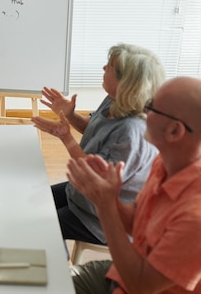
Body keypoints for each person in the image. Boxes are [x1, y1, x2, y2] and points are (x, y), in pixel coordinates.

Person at [68, 77, 201, 294]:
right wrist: (110, 196)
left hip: (137, 282)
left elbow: (140, 287)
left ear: (174, 131)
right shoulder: (169, 161)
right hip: (125, 274)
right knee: (40, 282)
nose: (143, 112)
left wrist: (104, 206)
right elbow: (138, 220)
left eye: (150, 107)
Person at [31, 43, 166, 246]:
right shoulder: (115, 101)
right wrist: (70, 115)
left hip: (102, 219)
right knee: (30, 204)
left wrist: (65, 137)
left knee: (33, 227)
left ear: (126, 83)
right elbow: (95, 130)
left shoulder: (132, 132)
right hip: (82, 194)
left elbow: (97, 177)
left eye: (109, 66)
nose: (104, 68)